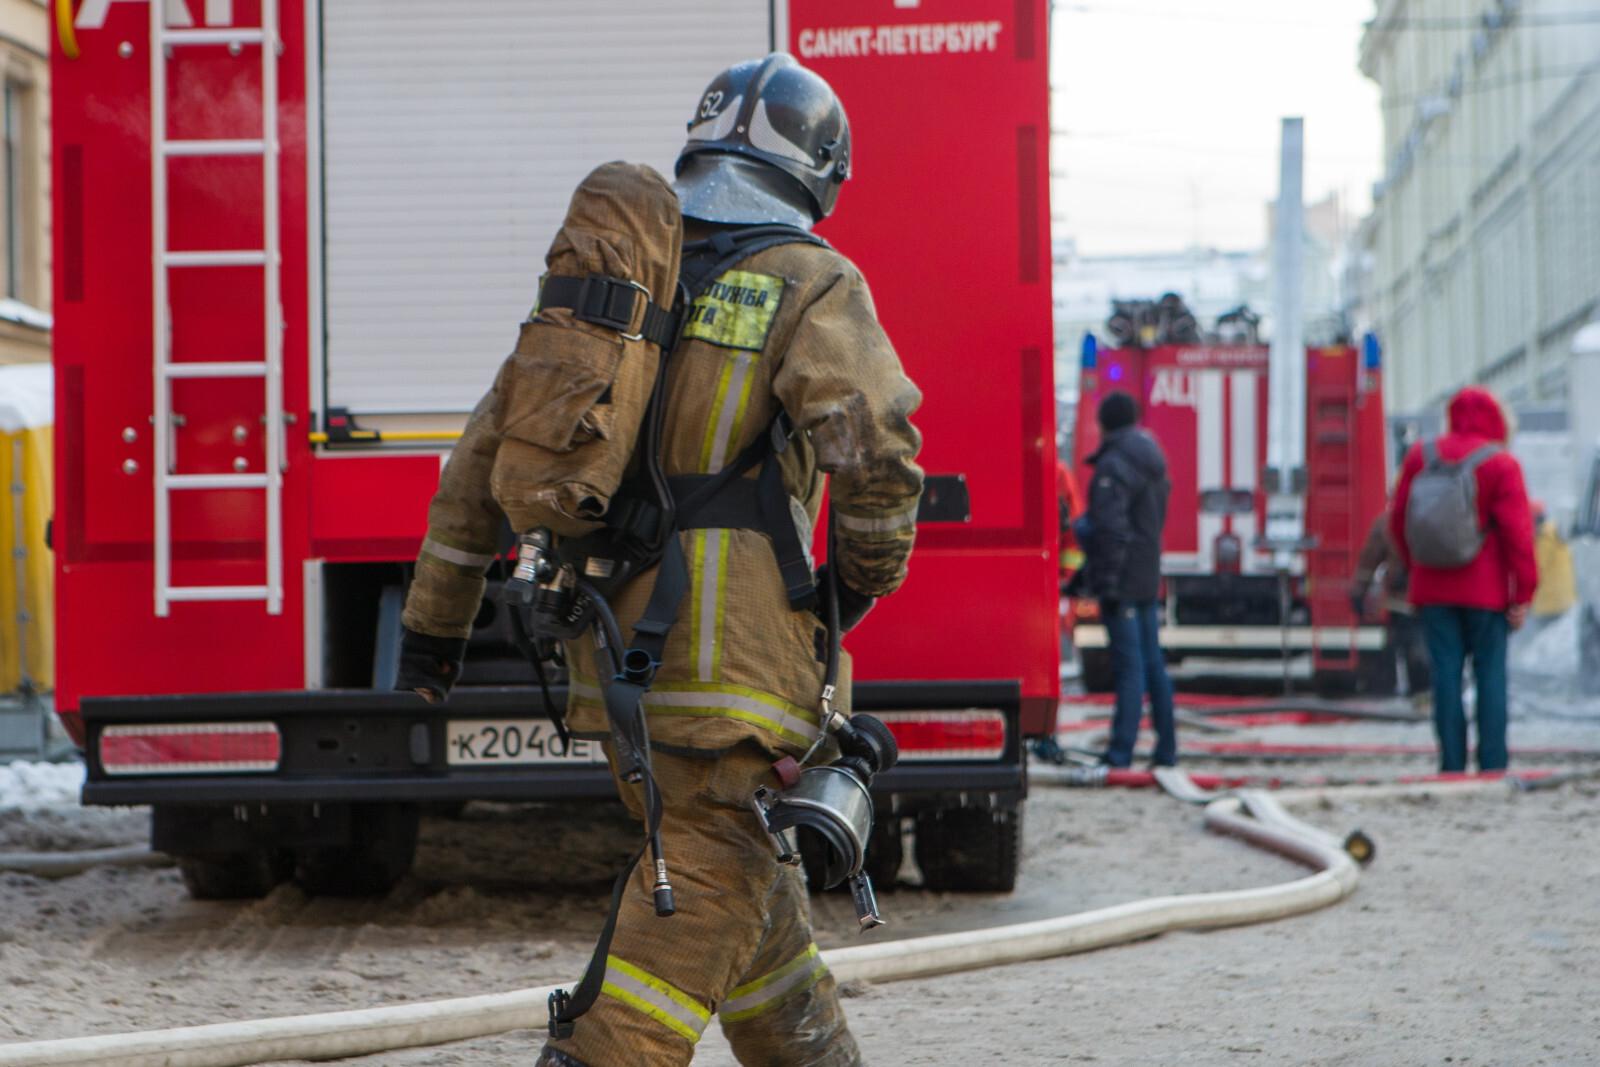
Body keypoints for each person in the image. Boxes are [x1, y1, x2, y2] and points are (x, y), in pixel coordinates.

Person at [397, 54, 923, 1067]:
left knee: (750, 911)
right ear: (815, 173)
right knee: (698, 898)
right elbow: (872, 440)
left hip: (617, 661)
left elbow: (475, 466)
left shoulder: (608, 293)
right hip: (740, 673)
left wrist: (432, 635)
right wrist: (860, 580)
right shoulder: (811, 280)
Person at [1390, 386, 1536, 773]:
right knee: (1490, 677)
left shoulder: (1422, 455)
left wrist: (1416, 566)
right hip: (1487, 594)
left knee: (1446, 678)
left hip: (1433, 590)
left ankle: (1451, 767)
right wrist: (1522, 593)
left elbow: (1398, 520)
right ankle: (1492, 767)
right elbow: (1518, 535)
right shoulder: (1501, 464)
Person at [1081, 390, 1176, 768]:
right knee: (1153, 665)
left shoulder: (1115, 465)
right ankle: (1166, 751)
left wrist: (1104, 581)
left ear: (1103, 423)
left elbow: (1112, 530)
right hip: (1146, 576)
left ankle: (1120, 754)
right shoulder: (1152, 456)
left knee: (1130, 669)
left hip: (1123, 581)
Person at [1349, 508, 1432, 695]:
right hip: (1438, 603)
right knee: (1432, 659)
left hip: (1402, 603)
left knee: (1404, 654)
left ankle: (1407, 698)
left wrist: (1358, 593)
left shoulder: (1389, 520)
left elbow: (1369, 559)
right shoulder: (1446, 517)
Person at [1530, 500, 1577, 622]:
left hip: (1550, 604)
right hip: (1564, 599)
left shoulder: (1544, 538)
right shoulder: (1554, 531)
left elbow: (1535, 568)